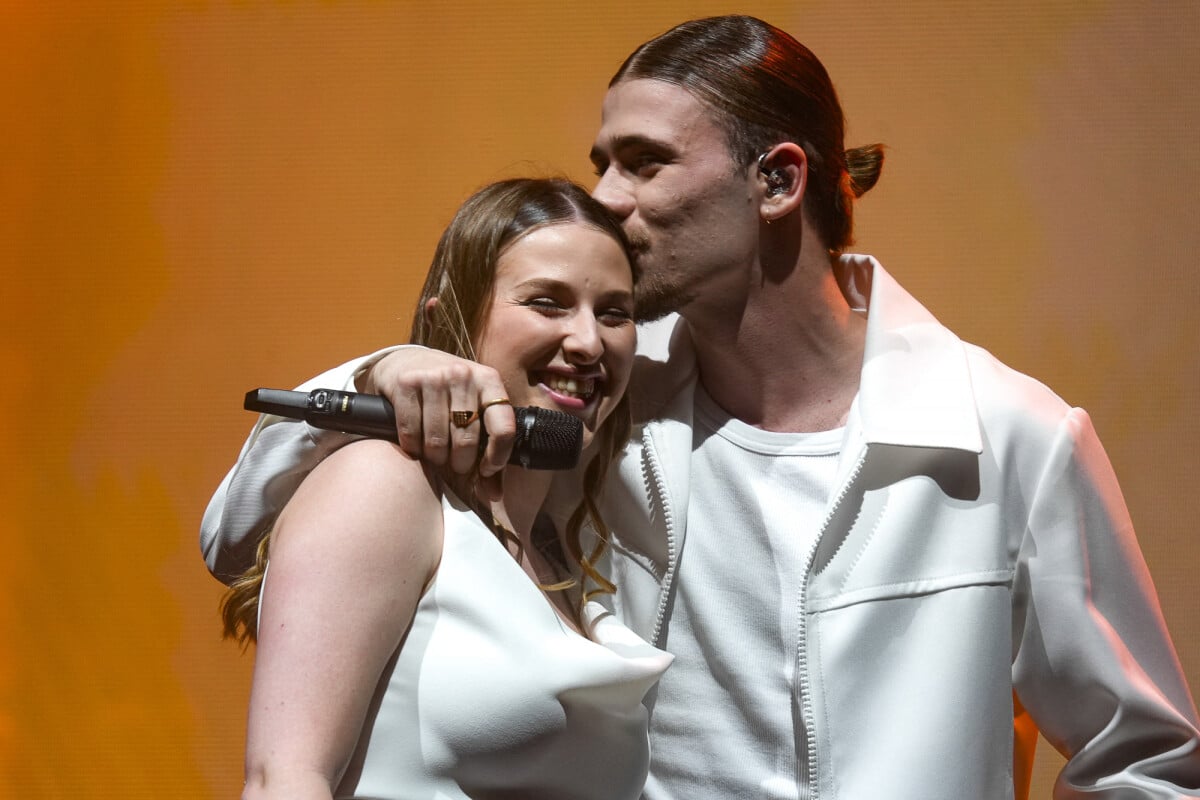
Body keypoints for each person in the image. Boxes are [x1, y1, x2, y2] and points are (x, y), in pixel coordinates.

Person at [202, 15, 1200, 800]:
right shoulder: (607, 406)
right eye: (602, 161)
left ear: (778, 179)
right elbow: (236, 531)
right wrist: (388, 370)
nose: (605, 197)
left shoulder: (1006, 434)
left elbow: (1148, 760)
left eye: (643, 162)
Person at [218, 177, 671, 800]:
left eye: (615, 313)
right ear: (450, 318)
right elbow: (285, 780)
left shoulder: (564, 550)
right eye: (547, 303)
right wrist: (381, 367)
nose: (589, 342)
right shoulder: (385, 485)